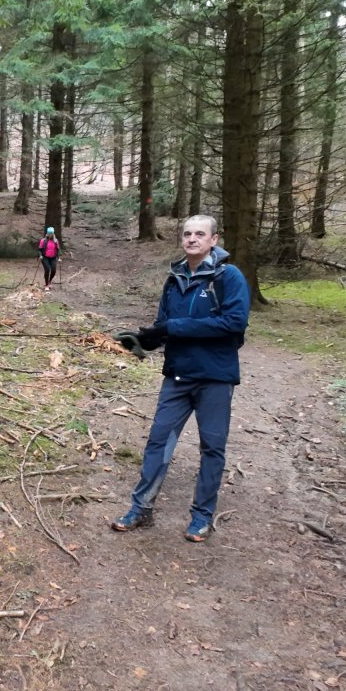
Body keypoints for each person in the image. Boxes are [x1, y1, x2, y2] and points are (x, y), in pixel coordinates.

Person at [110, 214, 250, 542]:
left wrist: (173, 327)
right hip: (177, 376)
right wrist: (144, 341)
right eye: (187, 233)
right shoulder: (174, 279)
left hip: (215, 378)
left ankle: (202, 516)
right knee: (158, 442)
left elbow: (234, 323)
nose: (192, 239)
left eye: (200, 234)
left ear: (214, 240)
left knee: (212, 447)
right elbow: (165, 326)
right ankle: (141, 508)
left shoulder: (228, 276)